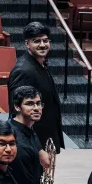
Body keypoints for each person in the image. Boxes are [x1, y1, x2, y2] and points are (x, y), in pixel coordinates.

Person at [7, 22, 65, 152]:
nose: (43, 45)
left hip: (44, 136)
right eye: (37, 41)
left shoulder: (40, 64)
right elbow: (18, 113)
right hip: (32, 142)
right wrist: (38, 149)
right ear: (27, 44)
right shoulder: (23, 71)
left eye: (45, 40)